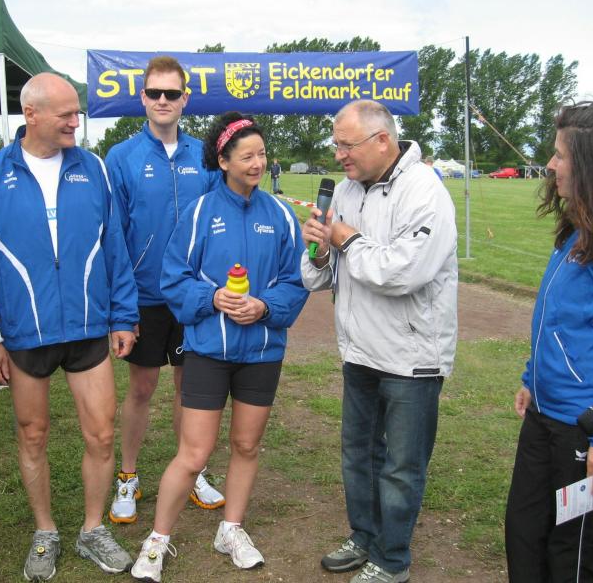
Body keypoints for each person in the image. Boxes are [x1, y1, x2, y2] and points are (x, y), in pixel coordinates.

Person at [0, 73, 139, 580]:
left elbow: (115, 246)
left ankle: (92, 529)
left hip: (87, 327)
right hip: (24, 331)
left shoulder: (93, 168)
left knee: (101, 434)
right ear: (30, 114)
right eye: (65, 114)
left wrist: (123, 315)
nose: (74, 122)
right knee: (33, 434)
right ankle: (45, 532)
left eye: (76, 112)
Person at [129, 112, 309, 582]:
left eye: (262, 154)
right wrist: (212, 298)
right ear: (223, 161)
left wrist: (265, 307)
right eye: (247, 156)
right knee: (193, 454)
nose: (257, 163)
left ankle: (231, 529)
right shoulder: (200, 213)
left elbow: (296, 281)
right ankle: (157, 541)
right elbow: (173, 278)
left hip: (262, 353)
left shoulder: (280, 215)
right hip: (208, 350)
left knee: (246, 445)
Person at [301, 100, 458, 583]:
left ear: (382, 140)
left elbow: (403, 273)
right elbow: (318, 277)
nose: (339, 155)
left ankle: (392, 561)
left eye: (347, 145)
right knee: (359, 456)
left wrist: (346, 240)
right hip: (360, 352)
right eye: (336, 145)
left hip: (412, 359)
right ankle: (364, 537)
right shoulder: (347, 190)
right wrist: (320, 249)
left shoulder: (425, 191)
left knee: (400, 468)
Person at [504, 99, 593, 583]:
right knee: (524, 532)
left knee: (573, 550)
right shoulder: (582, 225)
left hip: (592, 428)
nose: (550, 164)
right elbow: (561, 316)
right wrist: (532, 378)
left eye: (561, 155)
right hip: (546, 415)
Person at [104, 56, 225, 525]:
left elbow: (217, 220)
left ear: (184, 99)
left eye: (171, 93)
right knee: (142, 387)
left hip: (192, 295)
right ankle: (128, 477)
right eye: (154, 92)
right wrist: (122, 306)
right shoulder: (122, 157)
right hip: (145, 296)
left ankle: (191, 471)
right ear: (143, 97)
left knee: (187, 387)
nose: (162, 100)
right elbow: (114, 236)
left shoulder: (203, 155)